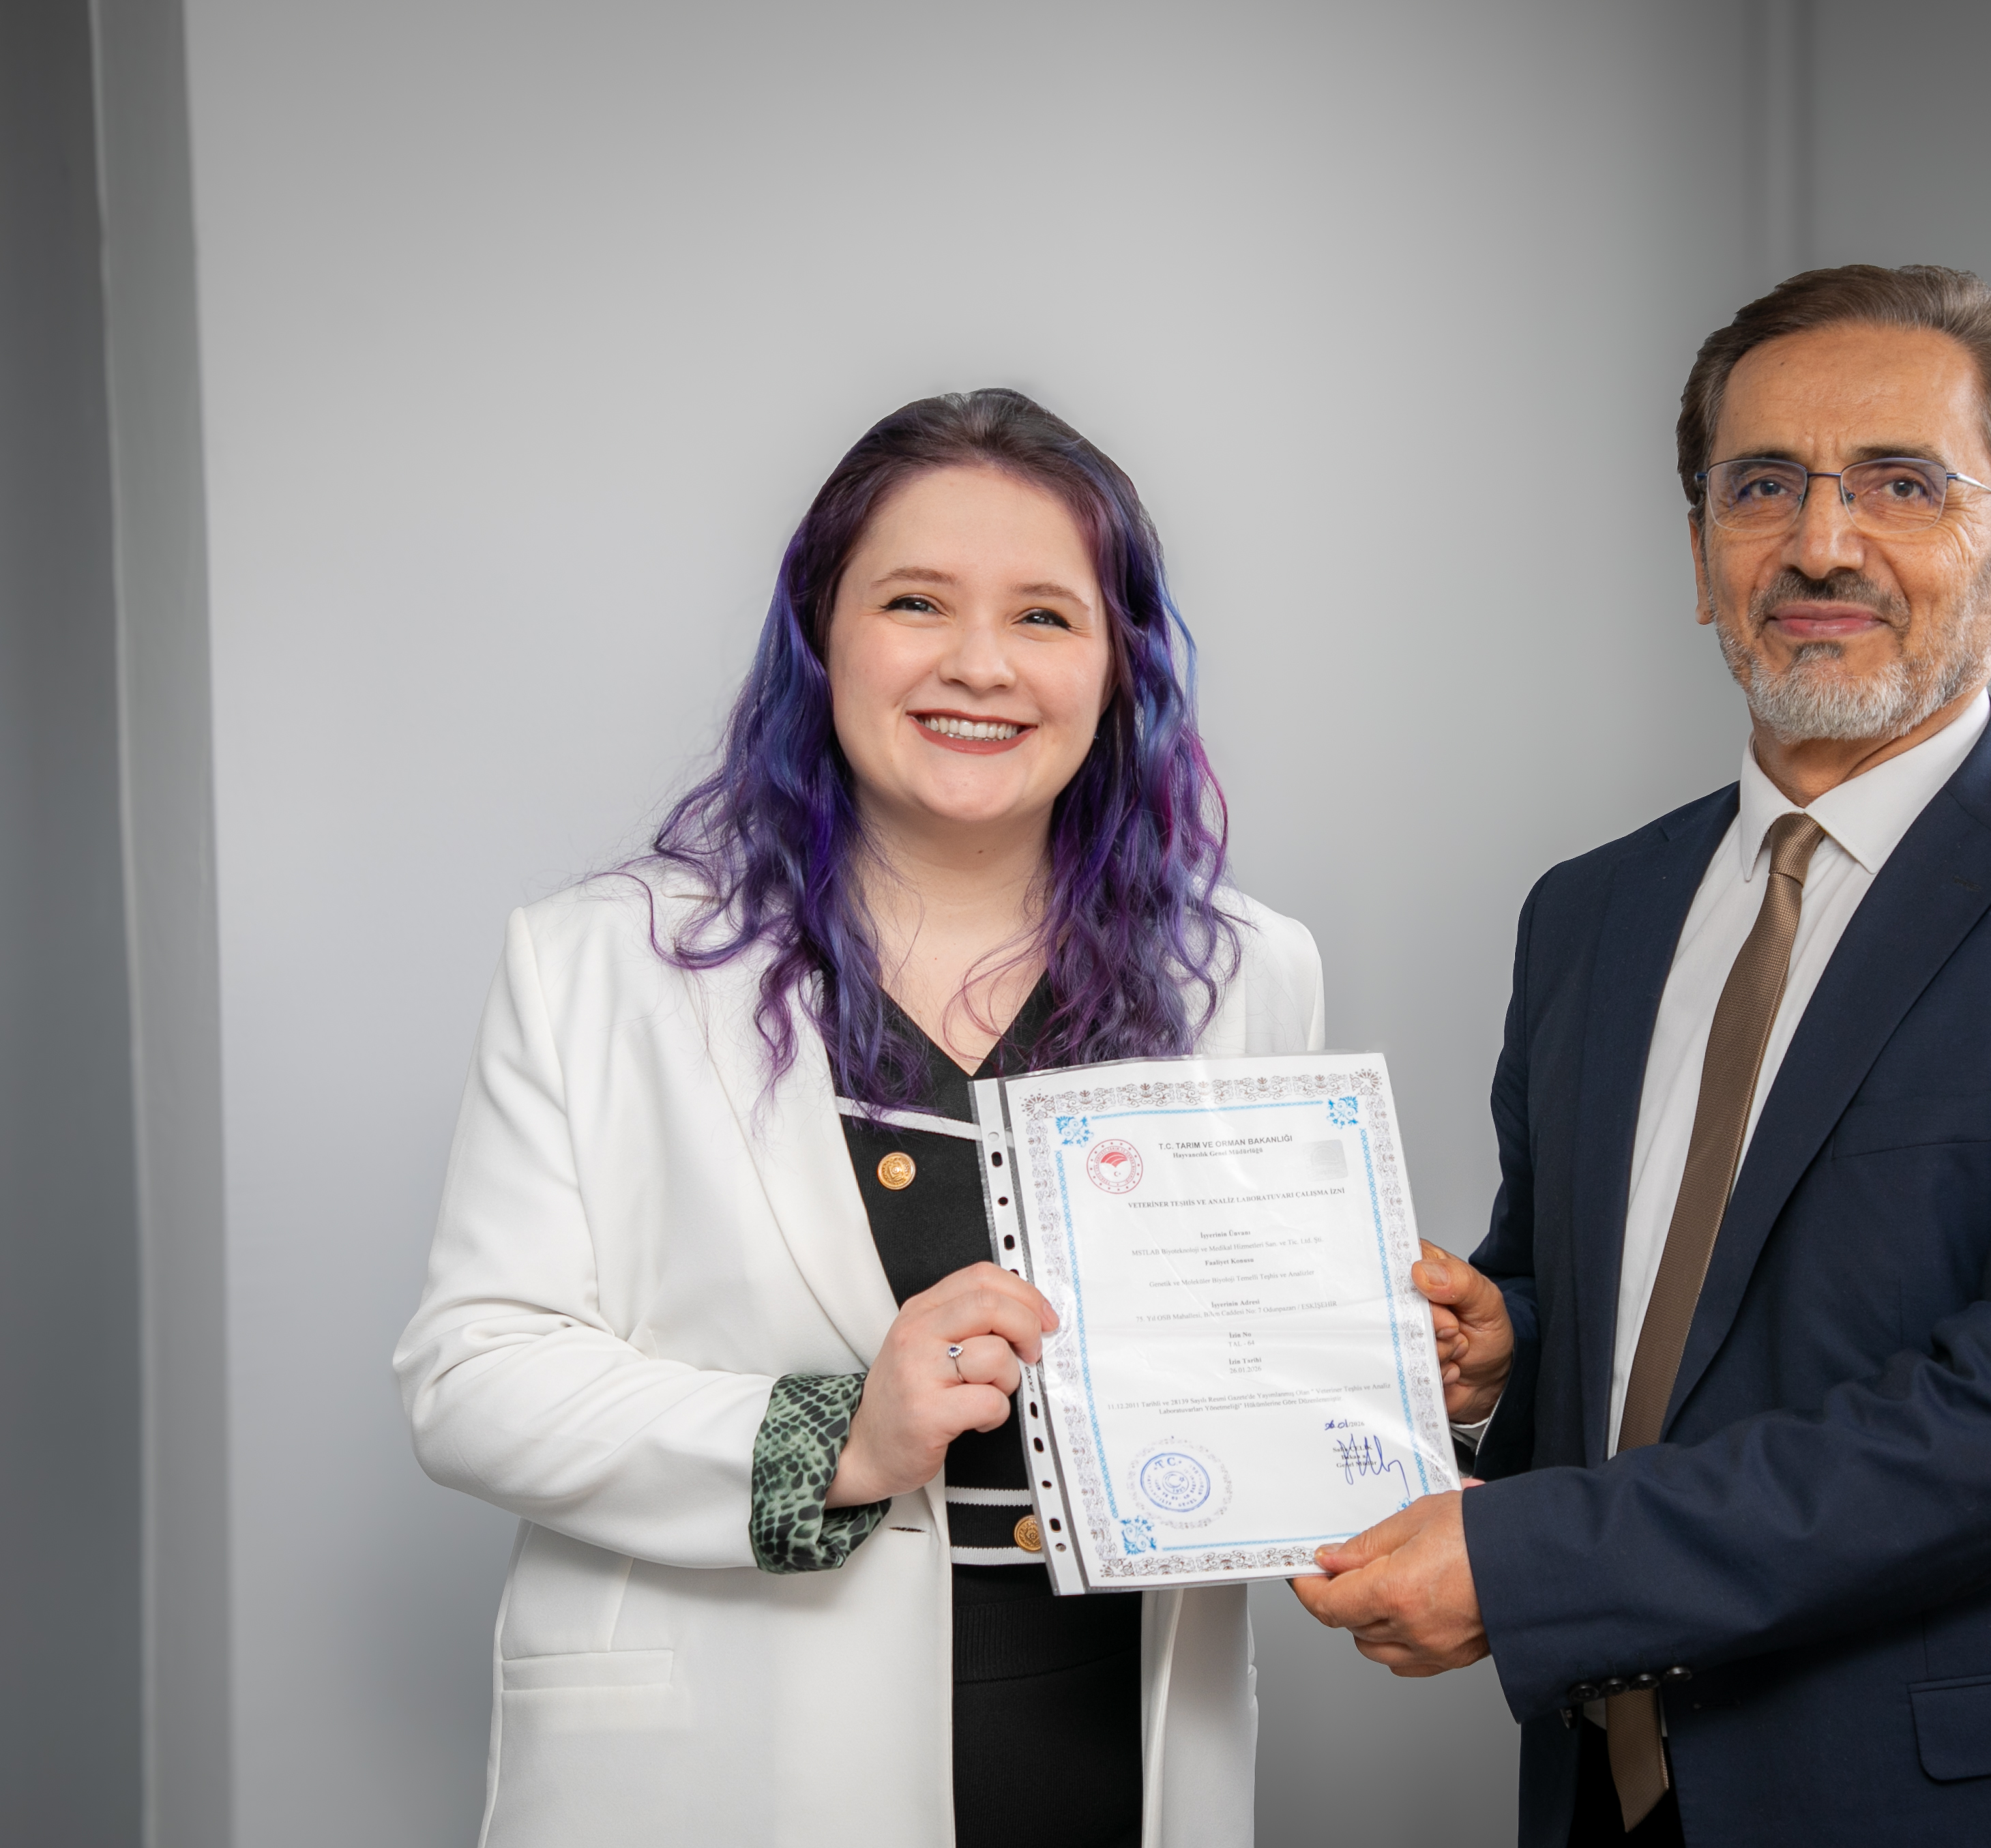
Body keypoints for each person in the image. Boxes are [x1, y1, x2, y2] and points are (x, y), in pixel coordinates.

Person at [1293, 265, 1991, 1845]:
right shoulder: (1588, 913)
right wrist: (1501, 1351)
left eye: (1900, 484)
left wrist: (1524, 1564)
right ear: (1701, 557)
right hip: (1612, 1788)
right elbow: (1637, 1317)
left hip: (1968, 1804)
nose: (1819, 542)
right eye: (1760, 486)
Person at [396, 390, 1318, 1848]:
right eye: (914, 601)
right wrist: (834, 1437)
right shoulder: (600, 962)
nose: (978, 664)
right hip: (731, 1764)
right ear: (821, 633)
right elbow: (471, 1374)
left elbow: (1251, 1362)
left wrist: (1389, 1378)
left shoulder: (1248, 974)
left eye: (1044, 615)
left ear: (1118, 665)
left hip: (1113, 1745)